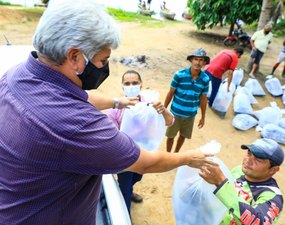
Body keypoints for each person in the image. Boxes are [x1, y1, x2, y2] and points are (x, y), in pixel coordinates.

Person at [0, 1, 217, 224]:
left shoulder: (15, 75)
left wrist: (116, 102)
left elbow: (75, 96)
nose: (105, 67)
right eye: (102, 60)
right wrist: (188, 157)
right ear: (74, 57)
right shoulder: (77, 124)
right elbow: (144, 163)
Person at [105, 70, 174, 214]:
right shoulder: (115, 109)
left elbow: (170, 121)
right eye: (127, 83)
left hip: (144, 154)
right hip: (124, 158)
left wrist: (163, 111)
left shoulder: (150, 103)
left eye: (135, 83)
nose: (131, 86)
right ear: (122, 86)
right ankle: (126, 213)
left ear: (141, 84)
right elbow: (111, 137)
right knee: (125, 189)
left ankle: (128, 188)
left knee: (137, 177)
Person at [199, 138, 284, 225]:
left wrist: (221, 183)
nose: (249, 160)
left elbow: (259, 222)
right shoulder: (238, 170)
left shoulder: (273, 197)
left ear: (273, 169)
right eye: (249, 153)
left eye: (258, 160)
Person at [164, 48, 210, 153]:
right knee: (170, 136)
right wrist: (164, 109)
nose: (198, 62)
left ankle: (176, 154)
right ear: (191, 60)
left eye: (201, 60)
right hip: (175, 113)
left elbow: (203, 99)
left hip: (191, 115)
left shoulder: (205, 79)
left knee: (183, 136)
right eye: (196, 59)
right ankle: (168, 155)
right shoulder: (179, 75)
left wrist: (203, 117)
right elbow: (170, 93)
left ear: (205, 62)